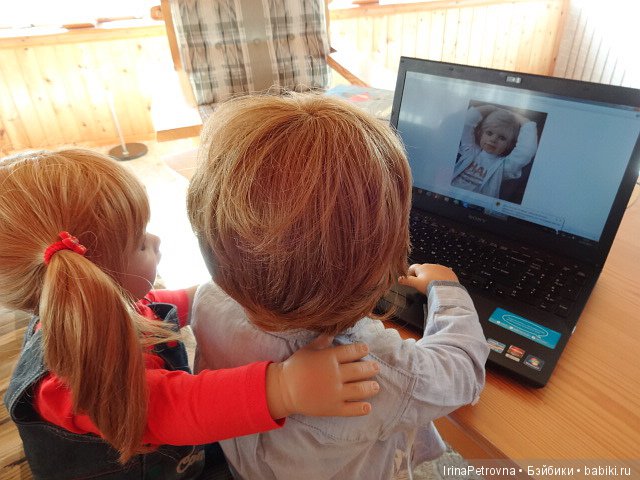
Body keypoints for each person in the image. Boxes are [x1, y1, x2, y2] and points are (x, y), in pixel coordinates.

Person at [0, 149, 381, 480]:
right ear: (95, 277)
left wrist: (227, 285)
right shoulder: (70, 387)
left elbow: (162, 303)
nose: (156, 240)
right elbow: (175, 407)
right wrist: (284, 387)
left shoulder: (100, 305)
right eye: (140, 242)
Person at [187, 93, 490, 479]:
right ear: (380, 261)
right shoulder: (366, 370)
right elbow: (462, 371)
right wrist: (448, 290)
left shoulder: (207, 299)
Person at [451, 104, 538, 199]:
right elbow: (466, 123)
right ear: (481, 133)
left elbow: (526, 151)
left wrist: (524, 121)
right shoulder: (470, 150)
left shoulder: (504, 166)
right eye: (489, 133)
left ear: (509, 145)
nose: (493, 139)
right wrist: (492, 108)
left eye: (502, 138)